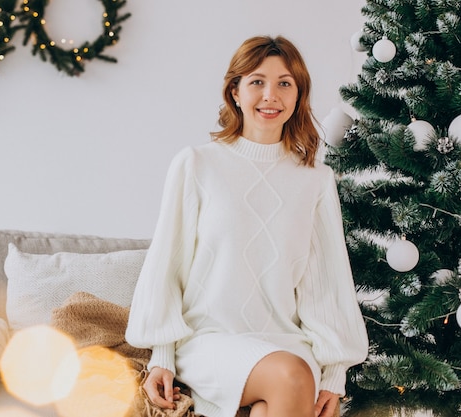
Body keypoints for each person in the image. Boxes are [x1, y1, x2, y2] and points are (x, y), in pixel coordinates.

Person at [125, 35, 369, 417]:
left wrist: (335, 372)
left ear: (298, 96)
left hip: (287, 343)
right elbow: (166, 267)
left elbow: (323, 283)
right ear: (235, 91)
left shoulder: (315, 180)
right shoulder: (196, 165)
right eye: (257, 81)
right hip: (210, 340)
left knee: (286, 382)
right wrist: (162, 356)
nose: (270, 95)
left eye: (284, 83)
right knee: (290, 377)